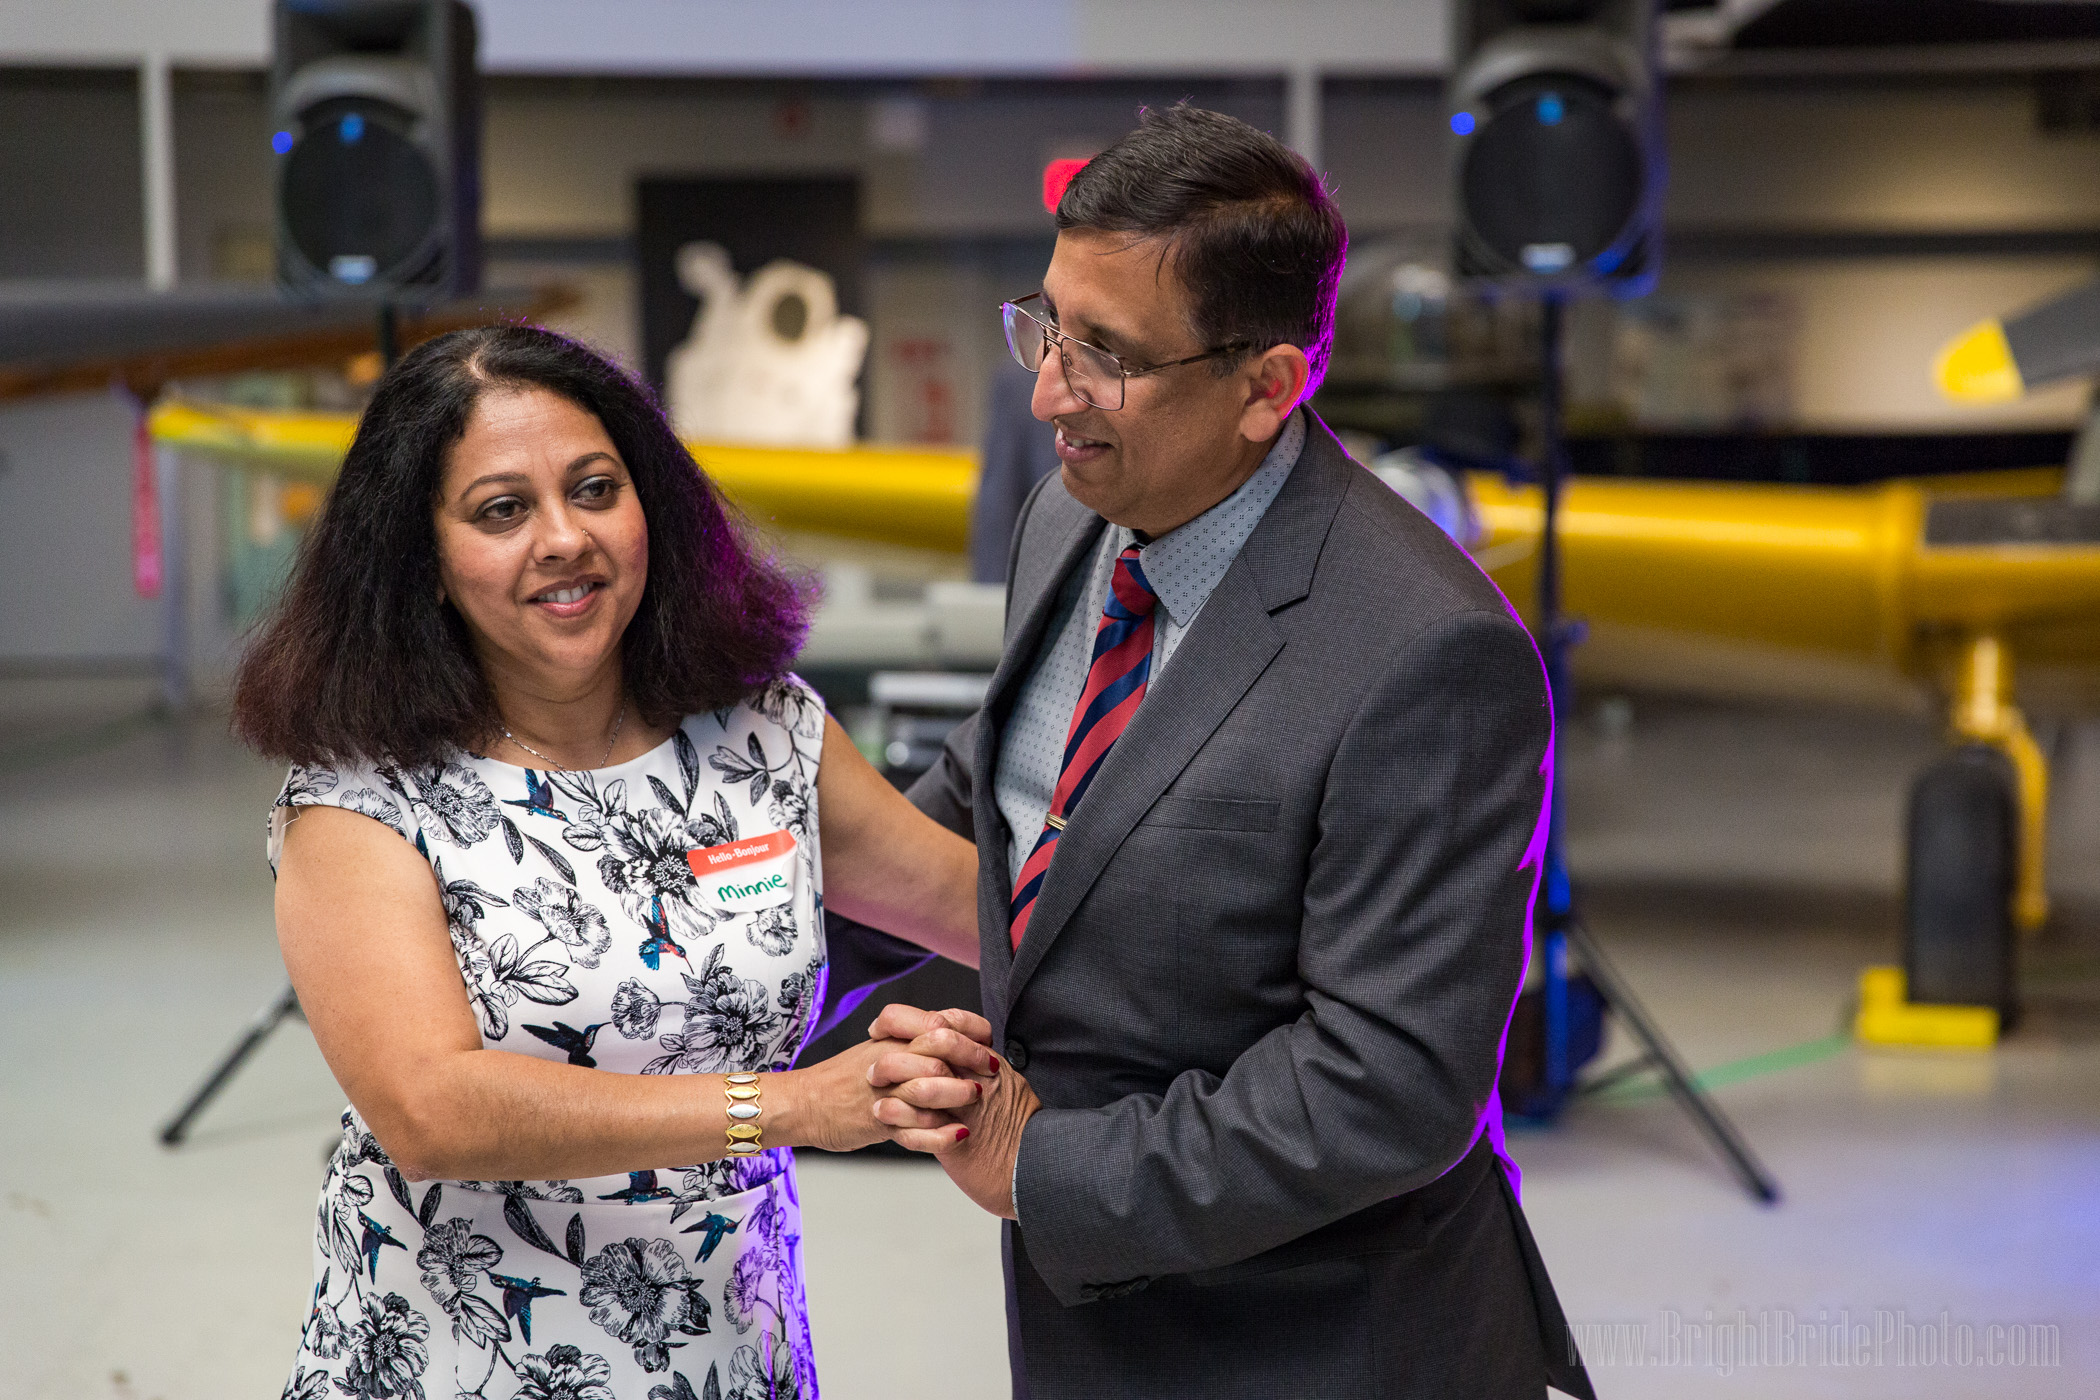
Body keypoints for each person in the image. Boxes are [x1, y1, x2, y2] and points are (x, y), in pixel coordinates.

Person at [862, 106, 1597, 1399]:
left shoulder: (1427, 653)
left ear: (1268, 385)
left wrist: (1046, 1167)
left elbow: (1385, 1087)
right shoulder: (1072, 517)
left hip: (1315, 1341)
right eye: (1047, 327)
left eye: (1106, 355)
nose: (1048, 394)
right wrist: (731, 956)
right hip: (1095, 1326)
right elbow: (1000, 795)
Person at [235, 325, 988, 1400]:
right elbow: (433, 1112)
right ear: (423, 561)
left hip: (734, 1351)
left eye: (595, 489)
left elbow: (989, 913)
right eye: (502, 510)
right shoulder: (363, 796)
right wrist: (788, 1106)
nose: (564, 538)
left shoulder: (763, 733)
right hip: (465, 1365)